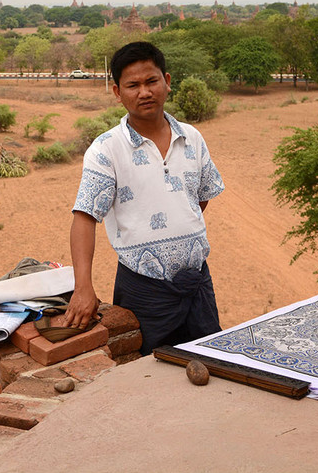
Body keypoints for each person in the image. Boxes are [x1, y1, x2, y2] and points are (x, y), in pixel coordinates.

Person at [62, 41, 225, 355]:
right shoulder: (106, 149)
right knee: (146, 376)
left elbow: (200, 198)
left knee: (212, 365)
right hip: (144, 291)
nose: (144, 92)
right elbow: (84, 217)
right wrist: (83, 287)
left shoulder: (192, 137)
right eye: (132, 85)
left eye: (151, 81)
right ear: (117, 92)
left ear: (167, 81)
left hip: (197, 283)